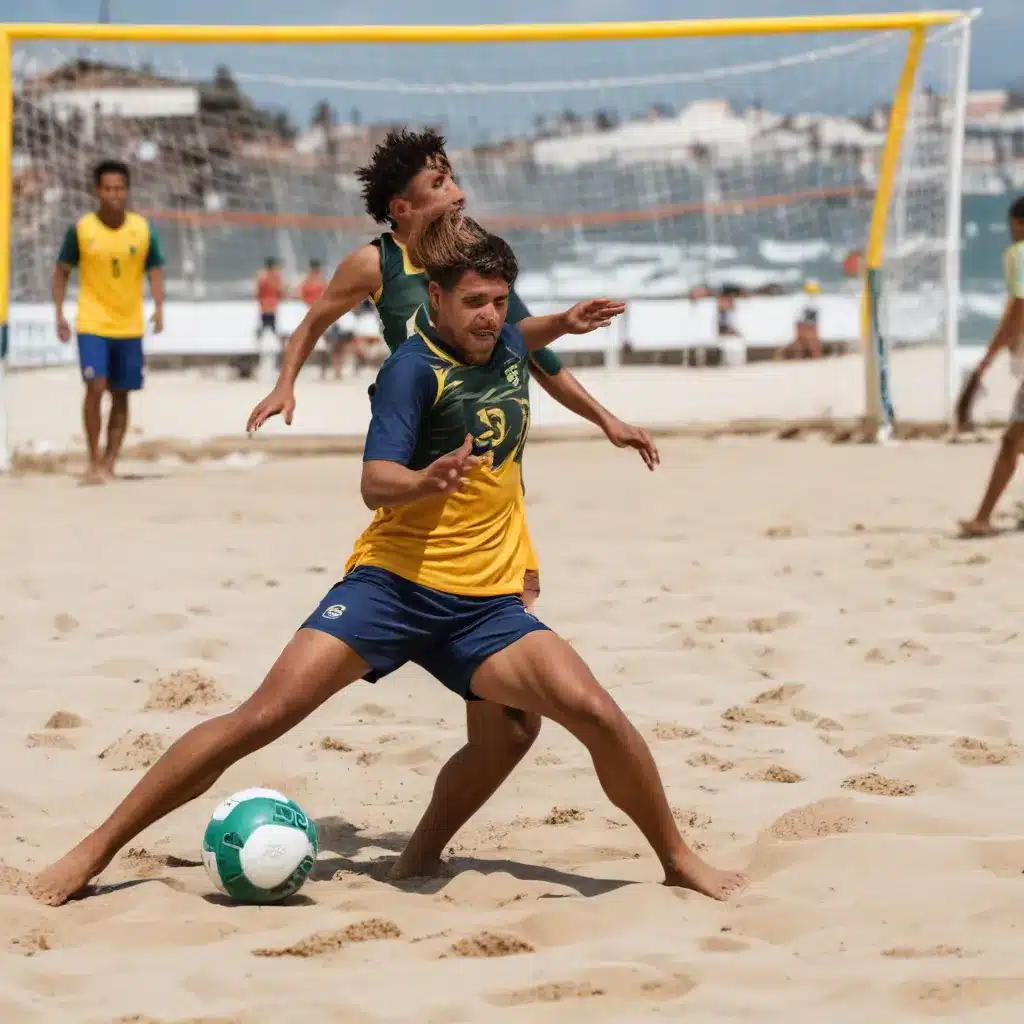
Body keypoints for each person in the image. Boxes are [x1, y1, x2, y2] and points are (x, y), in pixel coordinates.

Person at [28, 224, 747, 908]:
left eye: (499, 303)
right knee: (263, 717)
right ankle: (92, 853)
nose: (489, 317)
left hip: (484, 604)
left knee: (578, 717)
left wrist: (563, 328)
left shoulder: (504, 344)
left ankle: (663, 860)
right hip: (391, 589)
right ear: (435, 299)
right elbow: (374, 482)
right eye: (473, 303)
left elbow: (522, 341)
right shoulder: (411, 371)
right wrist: (424, 480)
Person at [245, 130, 658, 876]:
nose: (459, 194)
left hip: (490, 494)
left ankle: (421, 854)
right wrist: (285, 383)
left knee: (510, 726)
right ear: (404, 206)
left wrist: (607, 420)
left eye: (456, 179)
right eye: (441, 184)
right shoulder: (378, 263)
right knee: (284, 703)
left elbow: (529, 351)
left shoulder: (475, 262)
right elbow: (313, 322)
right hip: (414, 479)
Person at [52, 158, 165, 485]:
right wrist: (59, 312)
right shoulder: (82, 229)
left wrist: (159, 307)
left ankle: (110, 462)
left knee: (121, 393)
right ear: (97, 191)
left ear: (127, 191)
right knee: (95, 386)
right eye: (107, 188)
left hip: (129, 325)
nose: (114, 194)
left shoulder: (142, 229)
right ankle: (93, 460)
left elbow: (154, 270)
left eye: (119, 188)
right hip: (92, 321)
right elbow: (61, 270)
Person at [958, 195, 1024, 538]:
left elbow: (1017, 313)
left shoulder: (1018, 254)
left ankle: (983, 517)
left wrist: (987, 359)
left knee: (1011, 441)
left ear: (1016, 224)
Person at [254, 257, 285, 353]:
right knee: (273, 326)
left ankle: (257, 345)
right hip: (273, 306)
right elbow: (280, 291)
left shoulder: (261, 276)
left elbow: (257, 292)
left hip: (263, 306)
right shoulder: (276, 277)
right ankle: (281, 346)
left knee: (264, 325)